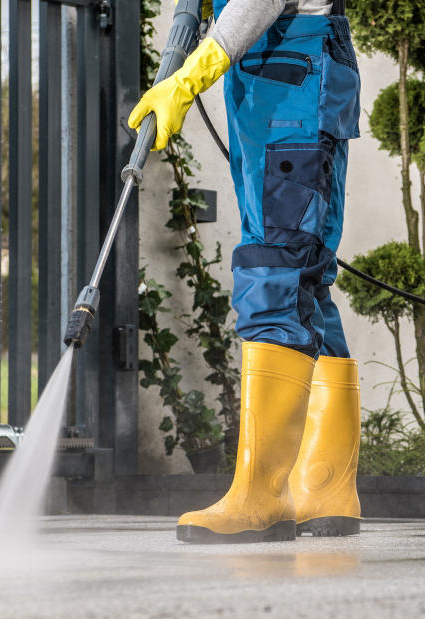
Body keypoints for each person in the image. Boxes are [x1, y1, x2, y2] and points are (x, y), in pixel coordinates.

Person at [129, 0, 362, 543]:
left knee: (275, 270)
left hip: (291, 87)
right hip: (285, 82)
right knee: (306, 281)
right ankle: (327, 489)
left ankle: (262, 494)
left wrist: (190, 75)